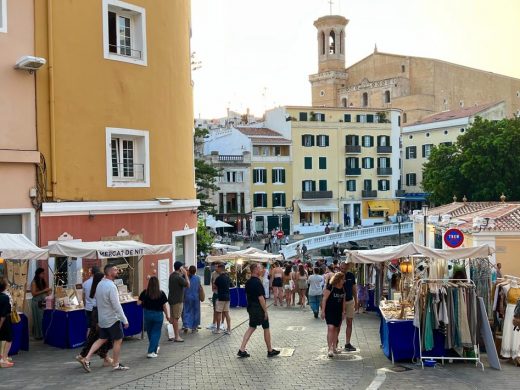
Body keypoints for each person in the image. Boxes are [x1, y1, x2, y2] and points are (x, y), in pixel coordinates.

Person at [81, 264, 129, 372]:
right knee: (118, 340)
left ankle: (86, 358)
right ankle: (116, 364)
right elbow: (116, 305)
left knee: (102, 339)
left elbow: (99, 302)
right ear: (109, 272)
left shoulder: (100, 284)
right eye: (115, 269)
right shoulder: (111, 286)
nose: (117, 271)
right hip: (112, 319)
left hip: (103, 319)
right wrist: (124, 320)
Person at [237, 263, 280, 358]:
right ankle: (269, 350)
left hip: (251, 307)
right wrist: (265, 311)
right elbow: (261, 298)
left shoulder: (248, 282)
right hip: (258, 308)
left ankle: (242, 349)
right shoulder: (257, 282)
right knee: (266, 327)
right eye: (260, 268)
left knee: (252, 327)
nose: (262, 270)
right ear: (255, 269)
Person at [76, 272, 113, 366]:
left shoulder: (94, 287)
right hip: (99, 312)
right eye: (103, 277)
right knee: (102, 337)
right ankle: (86, 356)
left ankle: (104, 358)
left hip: (93, 311)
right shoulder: (100, 287)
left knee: (96, 336)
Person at [138, 276, 169, 358]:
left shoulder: (145, 292)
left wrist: (143, 301)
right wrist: (167, 316)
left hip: (147, 314)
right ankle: (151, 351)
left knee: (150, 332)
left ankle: (155, 348)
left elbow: (138, 303)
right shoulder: (161, 293)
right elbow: (164, 306)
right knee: (156, 332)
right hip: (158, 315)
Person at [321, 272, 346, 358]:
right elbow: (324, 299)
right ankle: (330, 348)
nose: (344, 281)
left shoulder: (343, 288)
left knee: (336, 329)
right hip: (330, 311)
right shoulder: (330, 287)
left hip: (338, 311)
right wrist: (323, 311)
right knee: (330, 328)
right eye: (343, 279)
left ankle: (334, 347)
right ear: (338, 279)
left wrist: (343, 312)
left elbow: (343, 301)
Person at [168, 261, 190, 342]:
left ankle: (173, 335)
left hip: (171, 299)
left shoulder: (172, 275)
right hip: (177, 300)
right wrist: (186, 274)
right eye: (183, 267)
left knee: (173, 318)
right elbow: (188, 285)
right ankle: (177, 337)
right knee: (176, 319)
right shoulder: (178, 277)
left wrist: (183, 273)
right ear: (180, 268)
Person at [340, 262, 358, 352]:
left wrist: (356, 301)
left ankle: (347, 343)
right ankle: (335, 342)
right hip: (339, 302)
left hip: (350, 301)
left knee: (349, 322)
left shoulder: (351, 275)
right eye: (342, 268)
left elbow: (354, 289)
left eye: (345, 268)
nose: (343, 270)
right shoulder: (337, 276)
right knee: (338, 323)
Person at [30, 267, 51, 340]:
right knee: (38, 319)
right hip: (36, 302)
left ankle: (42, 333)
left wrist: (48, 292)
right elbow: (33, 293)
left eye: (44, 273)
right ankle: (38, 335)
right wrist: (44, 290)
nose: (43, 275)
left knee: (42, 318)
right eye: (42, 273)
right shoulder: (34, 282)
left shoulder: (42, 281)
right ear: (38, 274)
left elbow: (45, 292)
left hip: (42, 302)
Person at [182, 266, 202, 333]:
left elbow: (184, 289)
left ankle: (186, 325)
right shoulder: (198, 278)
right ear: (195, 271)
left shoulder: (186, 278)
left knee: (186, 311)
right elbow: (199, 288)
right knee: (196, 312)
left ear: (189, 271)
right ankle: (194, 327)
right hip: (196, 297)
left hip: (187, 297)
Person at [213, 263, 231, 335]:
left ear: (220, 269)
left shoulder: (218, 278)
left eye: (218, 268)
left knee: (218, 313)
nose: (217, 269)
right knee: (227, 313)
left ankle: (218, 329)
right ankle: (229, 329)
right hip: (227, 297)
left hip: (220, 297)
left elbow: (214, 286)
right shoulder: (228, 277)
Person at [0, 277, 14, 368]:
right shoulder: (5, 297)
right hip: (4, 321)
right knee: (9, 339)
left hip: (3, 320)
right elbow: (3, 314)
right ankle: (4, 359)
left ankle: (3, 357)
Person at [83, 266, 100, 337]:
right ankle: (97, 342)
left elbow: (83, 297)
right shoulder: (100, 283)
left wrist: (85, 304)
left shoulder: (85, 283)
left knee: (89, 327)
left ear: (91, 273)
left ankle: (88, 342)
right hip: (97, 307)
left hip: (88, 307)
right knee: (98, 325)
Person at [207, 265, 220, 330]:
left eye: (217, 267)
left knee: (221, 310)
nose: (215, 268)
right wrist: (213, 287)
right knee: (215, 309)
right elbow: (212, 281)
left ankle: (221, 324)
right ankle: (214, 323)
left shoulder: (223, 274)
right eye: (215, 266)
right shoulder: (214, 273)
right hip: (215, 293)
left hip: (221, 294)